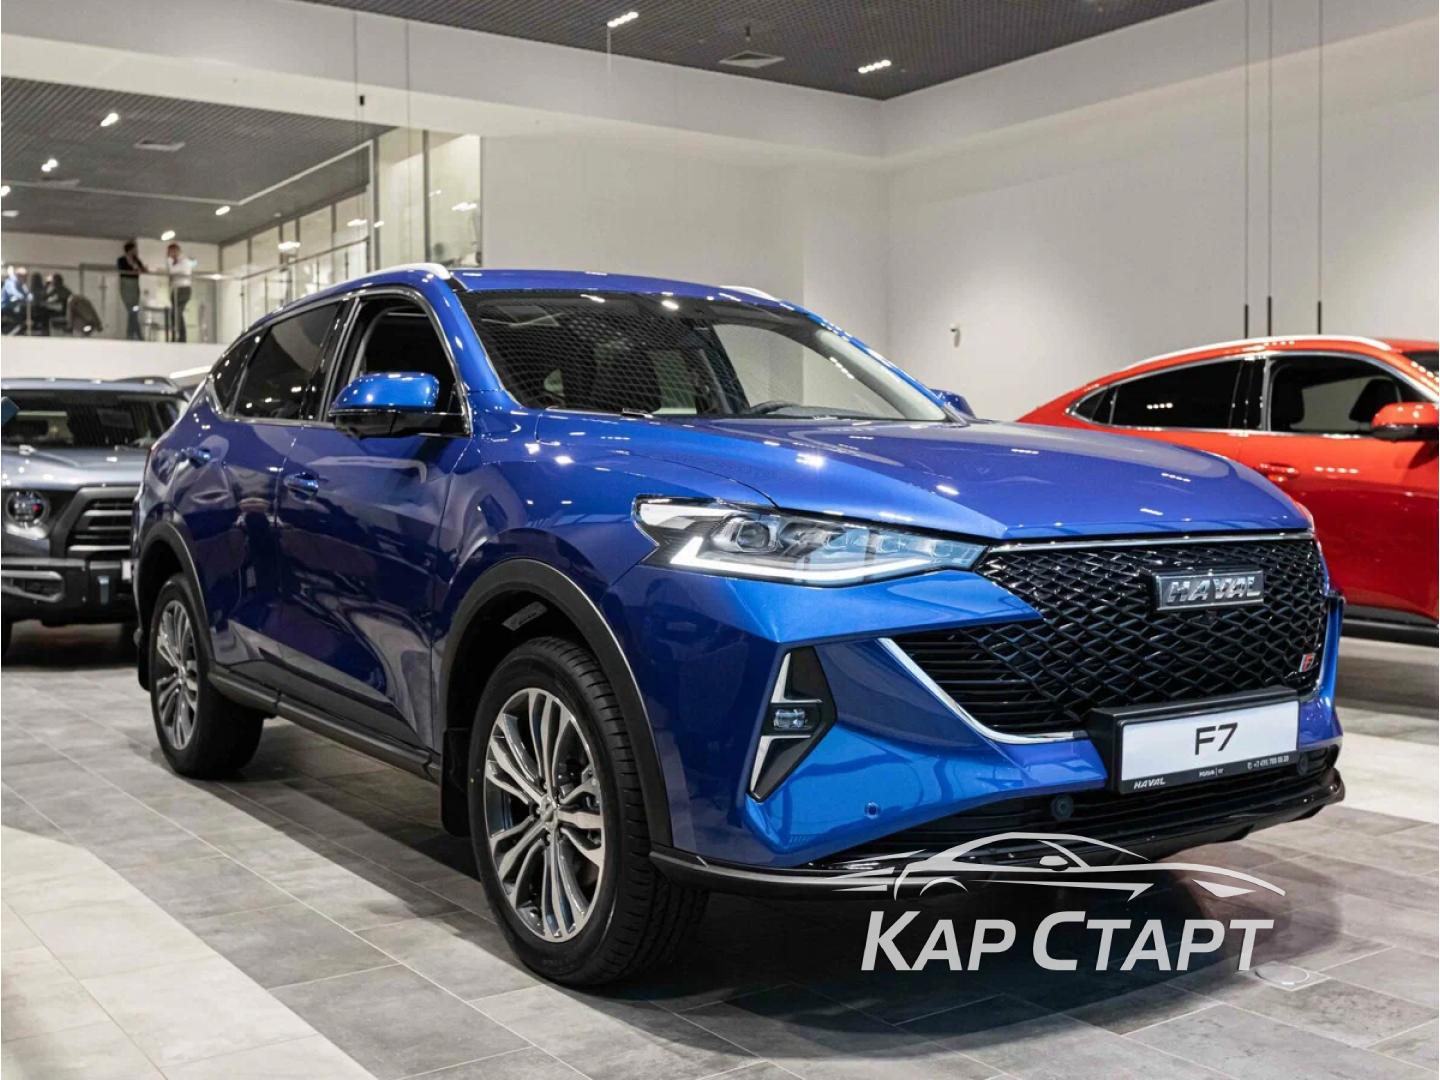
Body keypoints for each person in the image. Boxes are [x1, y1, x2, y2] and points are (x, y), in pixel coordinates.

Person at [165, 242, 197, 342]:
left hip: (183, 289)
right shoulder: (175, 262)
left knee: (176, 313)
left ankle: (179, 337)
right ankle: (180, 337)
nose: (170, 254)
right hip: (175, 290)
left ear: (176, 251)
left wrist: (169, 260)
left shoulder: (184, 261)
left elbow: (173, 271)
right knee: (176, 313)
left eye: (171, 252)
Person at [116, 239, 147, 340]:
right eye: (134, 249)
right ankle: (137, 335)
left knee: (134, 311)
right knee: (131, 311)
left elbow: (143, 270)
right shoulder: (121, 260)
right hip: (126, 285)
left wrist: (139, 269)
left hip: (134, 285)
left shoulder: (137, 260)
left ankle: (131, 334)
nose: (136, 251)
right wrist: (134, 269)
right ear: (129, 250)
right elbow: (123, 271)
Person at [2, 266, 32, 334]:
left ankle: (9, 333)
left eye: (25, 276)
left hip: (13, 308)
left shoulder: (21, 285)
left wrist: (27, 296)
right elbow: (13, 293)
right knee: (18, 320)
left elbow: (28, 296)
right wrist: (23, 297)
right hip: (4, 307)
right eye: (23, 276)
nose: (25, 278)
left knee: (21, 320)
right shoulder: (10, 282)